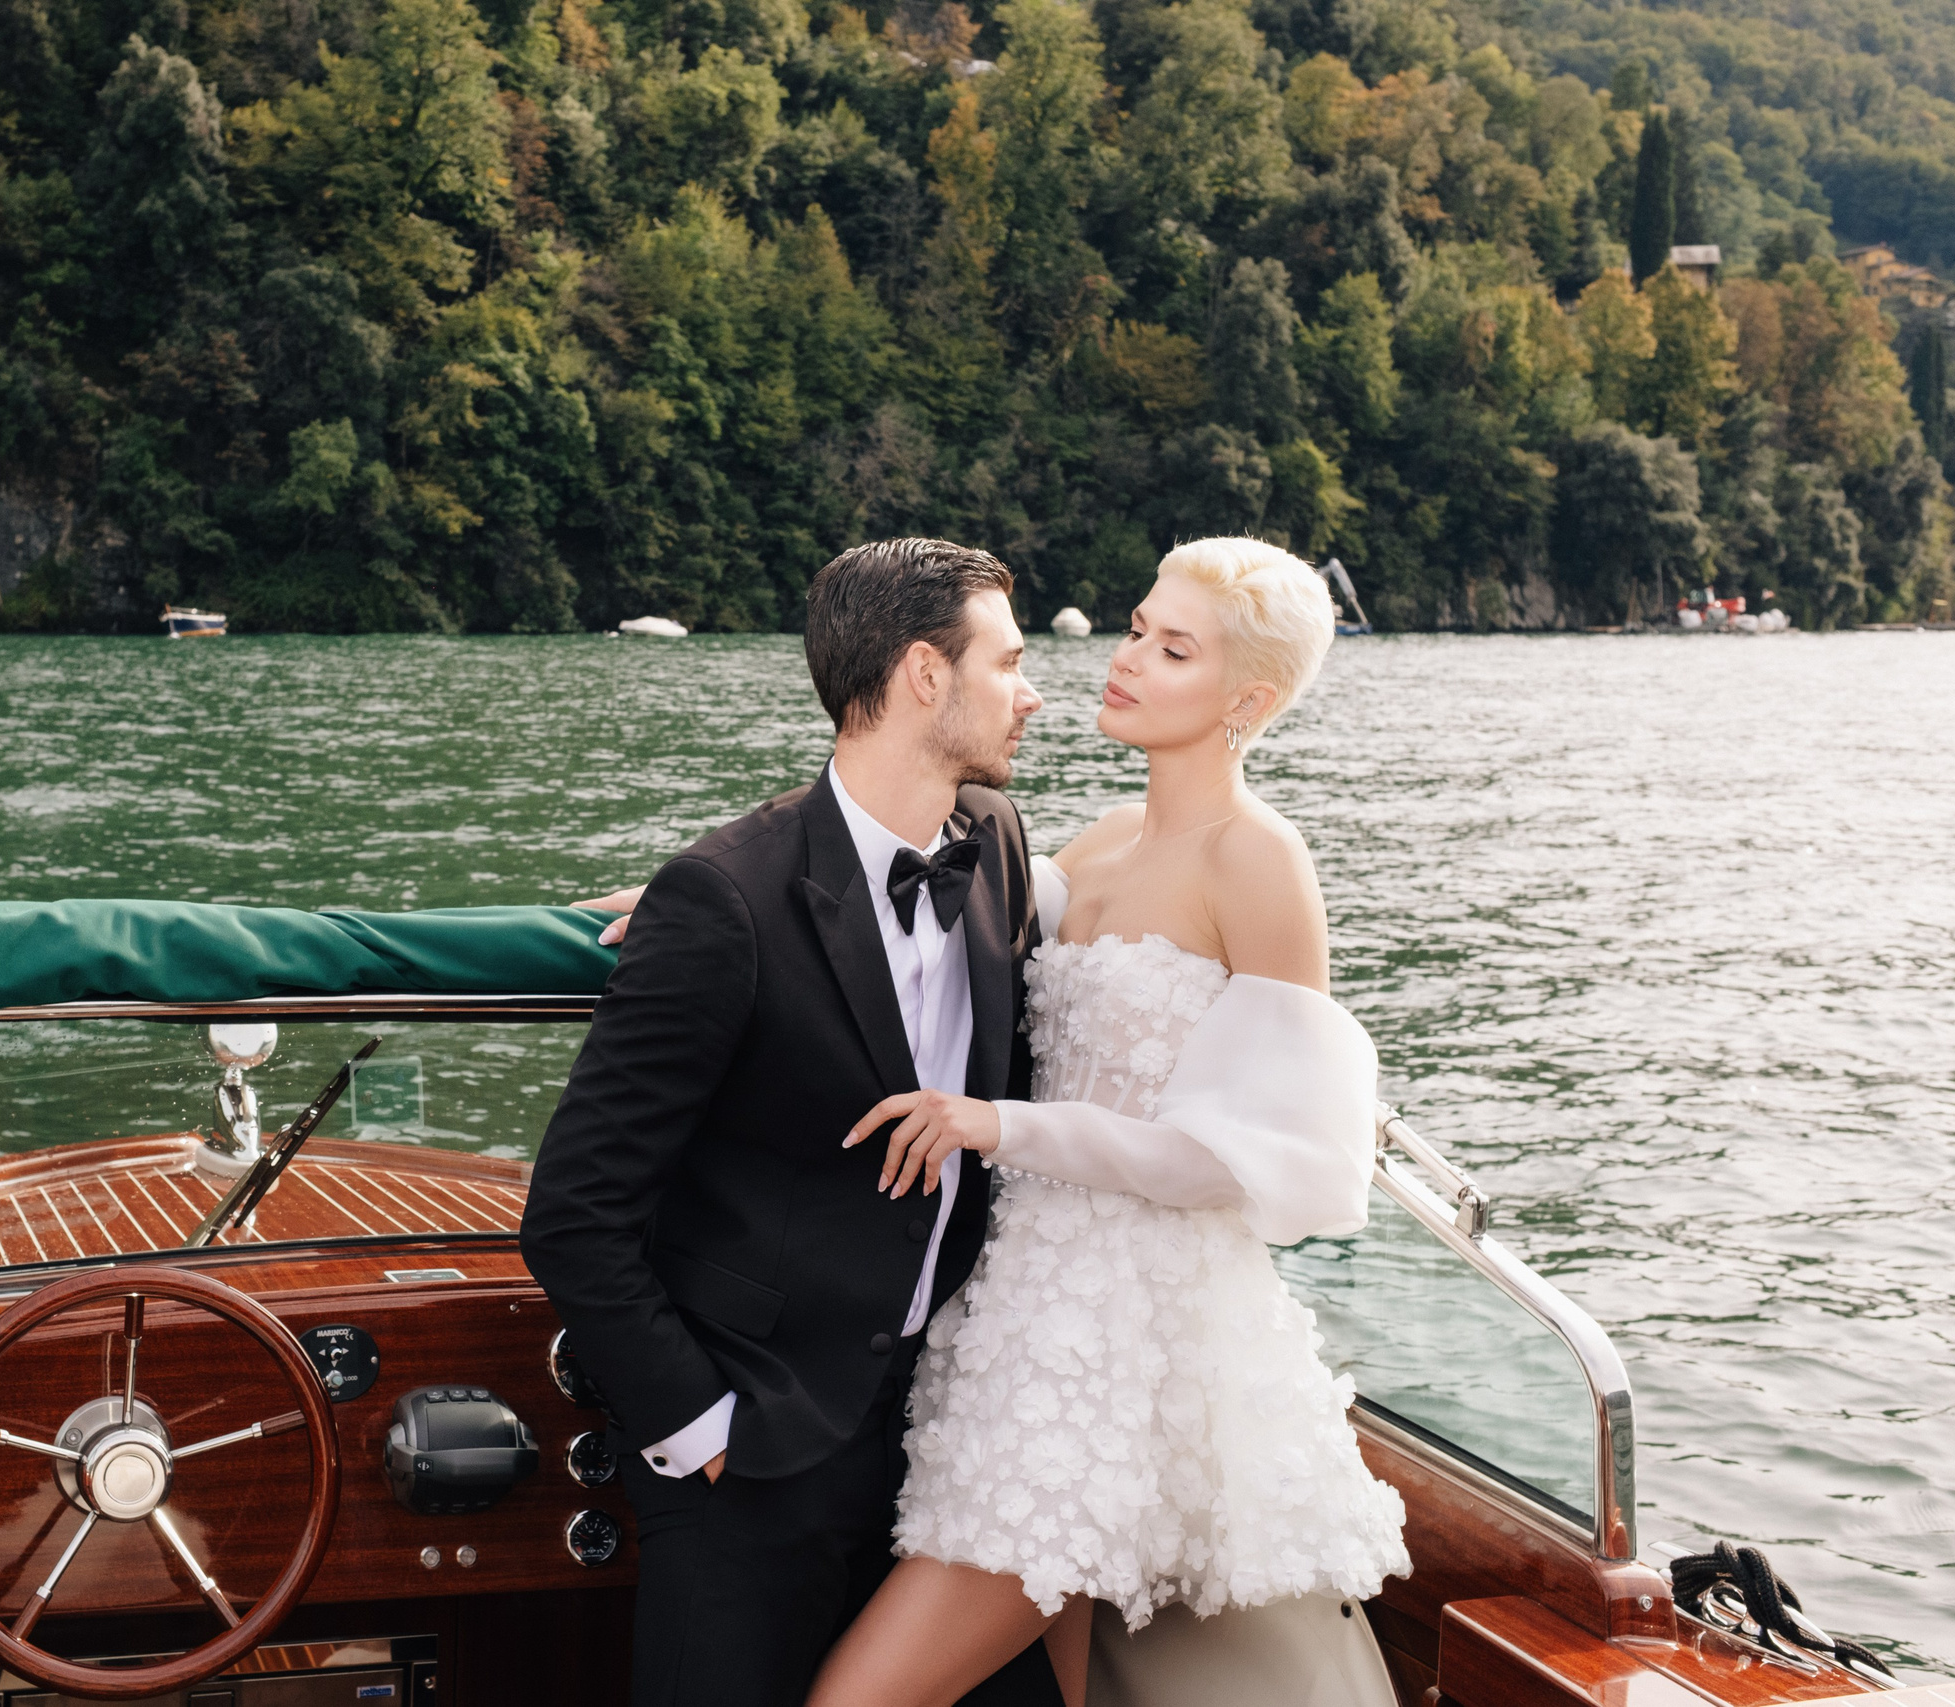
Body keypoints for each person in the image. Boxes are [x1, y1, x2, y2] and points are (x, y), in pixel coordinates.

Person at [806, 536, 1410, 1707]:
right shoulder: (1092, 843)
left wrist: (996, 1127)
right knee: (1059, 1695)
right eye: (1136, 629)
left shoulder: (1258, 860)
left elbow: (1239, 1159)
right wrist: (696, 895)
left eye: (1172, 649)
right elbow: (892, 899)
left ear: (1247, 702)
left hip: (1124, 1339)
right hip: (1015, 1311)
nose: (1126, 659)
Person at [520, 538, 1065, 1707]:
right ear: (925, 674)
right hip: (751, 1451)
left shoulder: (998, 842)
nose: (1032, 693)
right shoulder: (724, 901)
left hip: (943, 1437)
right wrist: (699, 1430)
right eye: (1010, 663)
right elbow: (573, 1215)